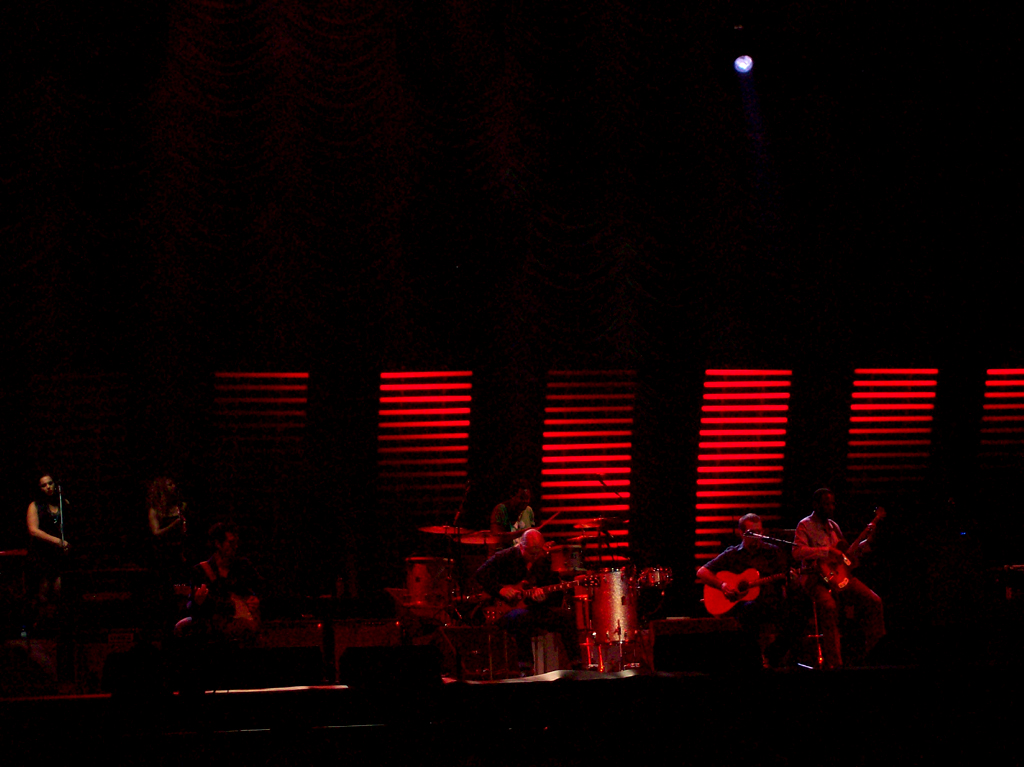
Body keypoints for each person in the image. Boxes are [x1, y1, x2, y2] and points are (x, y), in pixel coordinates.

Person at [792, 488, 885, 668]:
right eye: (826, 504)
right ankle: (835, 664)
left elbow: (846, 554)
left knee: (874, 601)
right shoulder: (804, 525)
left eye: (832, 503)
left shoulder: (833, 526)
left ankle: (876, 654)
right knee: (829, 606)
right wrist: (826, 551)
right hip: (814, 578)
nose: (831, 507)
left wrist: (867, 540)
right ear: (816, 505)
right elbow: (797, 552)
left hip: (838, 576)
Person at [697, 513, 804, 668]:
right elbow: (702, 572)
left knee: (801, 610)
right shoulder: (732, 554)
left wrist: (793, 579)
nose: (756, 536)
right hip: (746, 605)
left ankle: (772, 654)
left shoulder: (773, 552)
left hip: (772, 603)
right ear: (740, 533)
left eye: (759, 532)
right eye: (751, 533)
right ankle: (753, 661)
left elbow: (787, 578)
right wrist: (723, 585)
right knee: (750, 610)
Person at [475, 529, 578, 672]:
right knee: (521, 618)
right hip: (503, 611)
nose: (535, 557)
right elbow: (480, 574)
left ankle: (576, 664)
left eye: (538, 552)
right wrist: (500, 590)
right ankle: (526, 667)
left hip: (533, 609)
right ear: (521, 547)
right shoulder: (505, 556)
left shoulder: (544, 561)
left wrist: (544, 598)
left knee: (566, 616)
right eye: (531, 553)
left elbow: (554, 593)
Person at [182, 522, 261, 646]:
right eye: (231, 543)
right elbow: (190, 607)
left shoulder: (243, 566)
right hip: (214, 628)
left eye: (236, 542)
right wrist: (197, 602)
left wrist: (255, 598)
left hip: (243, 626)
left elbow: (263, 588)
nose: (236, 546)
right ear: (218, 544)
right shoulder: (200, 571)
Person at [26, 473, 69, 623]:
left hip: (59, 556)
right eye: (44, 485)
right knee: (43, 590)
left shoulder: (63, 503)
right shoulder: (35, 506)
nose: (48, 487)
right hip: (41, 555)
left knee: (59, 590)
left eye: (50, 483)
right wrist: (57, 541)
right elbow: (33, 530)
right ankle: (41, 623)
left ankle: (57, 622)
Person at [489, 479, 535, 555]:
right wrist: (524, 532)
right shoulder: (500, 510)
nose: (525, 501)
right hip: (504, 556)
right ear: (512, 496)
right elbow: (496, 537)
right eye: (521, 498)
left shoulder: (528, 511)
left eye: (527, 498)